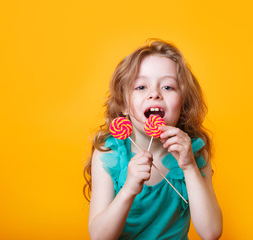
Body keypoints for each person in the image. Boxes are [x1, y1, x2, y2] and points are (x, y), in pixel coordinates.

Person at [83, 39, 223, 240]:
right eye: (140, 87)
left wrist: (190, 166)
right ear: (124, 105)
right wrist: (129, 188)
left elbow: (211, 233)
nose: (155, 94)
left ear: (183, 104)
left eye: (168, 87)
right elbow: (99, 237)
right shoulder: (109, 153)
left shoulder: (194, 152)